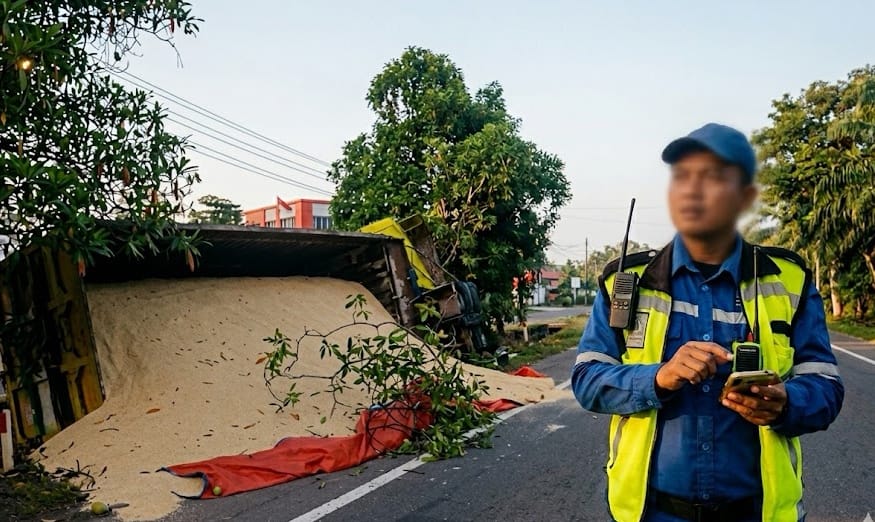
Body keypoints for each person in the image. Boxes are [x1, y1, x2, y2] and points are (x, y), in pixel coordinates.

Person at [571, 123, 843, 522]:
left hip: (756, 512)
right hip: (652, 513)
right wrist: (658, 377)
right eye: (682, 176)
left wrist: (786, 402)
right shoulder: (625, 282)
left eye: (713, 176)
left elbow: (826, 386)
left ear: (744, 196)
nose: (693, 190)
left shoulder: (790, 281)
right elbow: (587, 379)